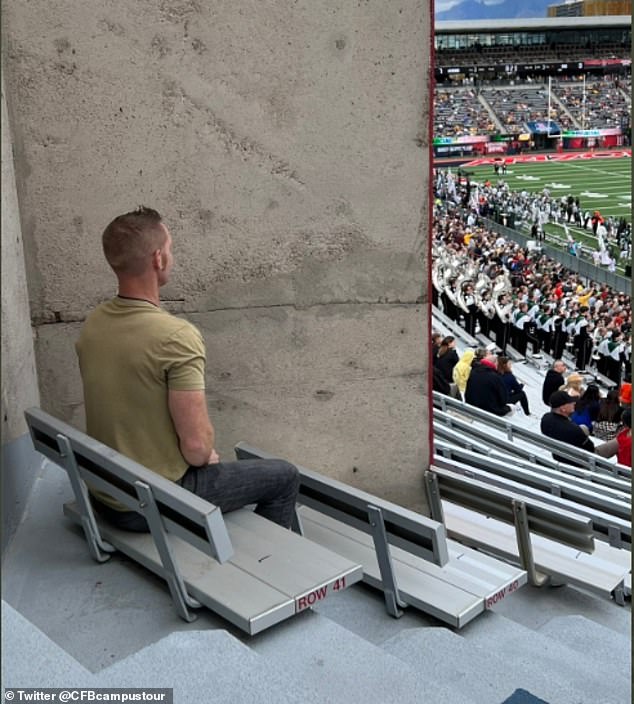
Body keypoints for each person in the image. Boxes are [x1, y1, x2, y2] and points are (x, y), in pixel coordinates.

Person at [75, 206, 299, 532]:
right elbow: (195, 449)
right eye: (170, 249)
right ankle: (273, 569)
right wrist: (203, 454)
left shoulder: (95, 323)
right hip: (149, 502)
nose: (172, 257)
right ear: (158, 259)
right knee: (284, 476)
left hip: (106, 491)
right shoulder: (176, 337)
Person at [540, 391, 595, 464]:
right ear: (563, 409)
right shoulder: (573, 430)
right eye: (570, 402)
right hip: (580, 461)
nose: (574, 403)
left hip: (559, 453)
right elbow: (591, 449)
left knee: (583, 427)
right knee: (615, 442)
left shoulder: (546, 418)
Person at [464, 347, 512, 417]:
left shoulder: (473, 371)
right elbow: (503, 400)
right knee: (512, 408)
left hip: (471, 405)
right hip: (490, 410)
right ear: (494, 363)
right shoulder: (495, 377)